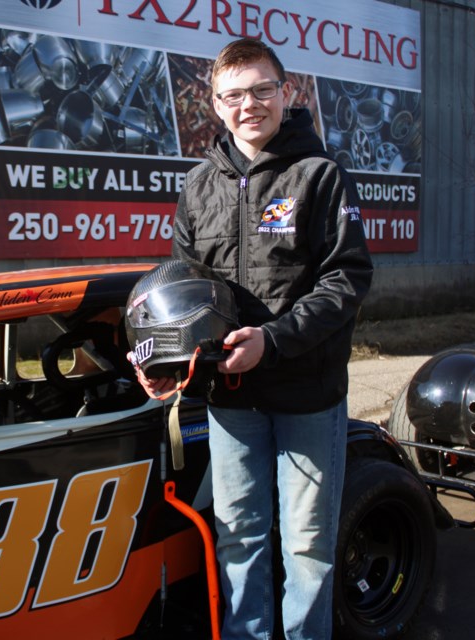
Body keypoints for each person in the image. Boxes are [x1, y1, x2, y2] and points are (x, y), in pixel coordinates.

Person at [136, 38, 373, 639]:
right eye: (234, 95)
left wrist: (273, 340)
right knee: (239, 535)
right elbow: (182, 292)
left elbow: (347, 279)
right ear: (215, 104)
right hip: (231, 399)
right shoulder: (198, 187)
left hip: (307, 393)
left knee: (309, 546)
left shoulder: (319, 175)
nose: (250, 105)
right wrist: (166, 361)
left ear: (285, 92)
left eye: (262, 90)